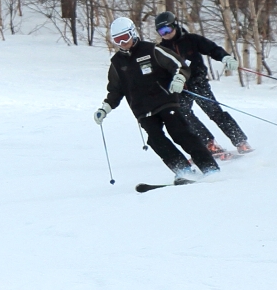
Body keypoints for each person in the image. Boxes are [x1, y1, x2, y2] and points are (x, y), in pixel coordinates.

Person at [94, 17, 219, 180]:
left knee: (181, 133)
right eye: (118, 39)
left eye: (126, 37)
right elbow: (115, 91)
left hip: (165, 101)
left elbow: (179, 65)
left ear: (133, 33)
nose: (123, 42)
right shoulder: (117, 63)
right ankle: (183, 170)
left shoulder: (151, 50)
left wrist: (179, 78)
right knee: (155, 140)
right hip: (142, 110)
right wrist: (105, 108)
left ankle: (209, 167)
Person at [154, 10, 252, 156]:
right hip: (181, 88)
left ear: (175, 25)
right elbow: (160, 72)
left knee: (214, 111)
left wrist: (225, 58)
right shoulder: (161, 50)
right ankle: (209, 144)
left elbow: (212, 49)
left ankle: (240, 141)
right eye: (161, 31)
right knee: (184, 115)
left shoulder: (191, 40)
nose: (166, 34)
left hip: (198, 82)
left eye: (168, 29)